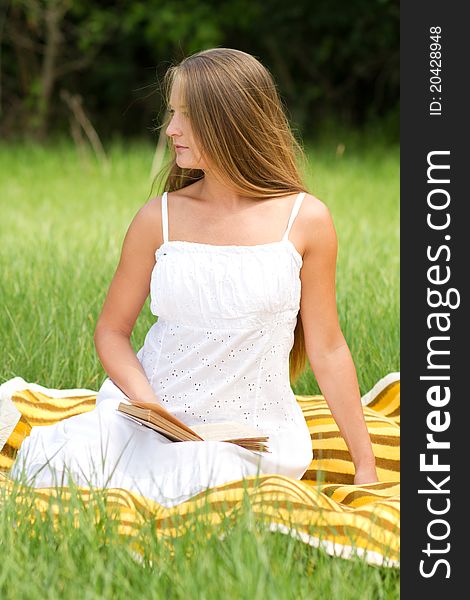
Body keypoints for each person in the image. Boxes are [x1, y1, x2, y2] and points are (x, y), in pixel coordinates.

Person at [9, 48, 378, 505]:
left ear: (233, 122)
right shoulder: (157, 218)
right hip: (155, 415)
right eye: (171, 113)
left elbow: (327, 347)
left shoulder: (305, 220)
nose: (170, 130)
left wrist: (365, 465)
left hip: (251, 433)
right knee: (54, 461)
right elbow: (112, 331)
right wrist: (150, 406)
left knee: (203, 477)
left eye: (187, 116)